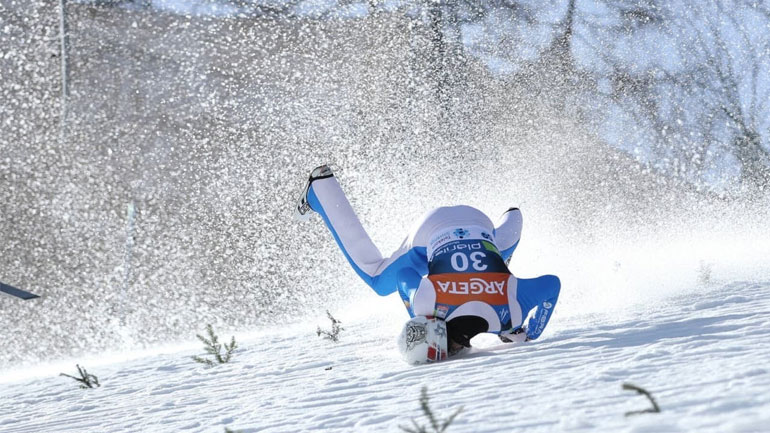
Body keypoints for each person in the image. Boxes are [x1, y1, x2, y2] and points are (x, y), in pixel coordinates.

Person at [295, 165, 560, 364]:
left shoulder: (512, 312)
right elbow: (405, 276)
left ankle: (513, 215)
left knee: (497, 250)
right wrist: (416, 311)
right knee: (378, 279)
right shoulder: (427, 304)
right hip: (431, 232)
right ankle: (321, 190)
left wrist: (531, 329)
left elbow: (552, 284)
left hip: (479, 223)